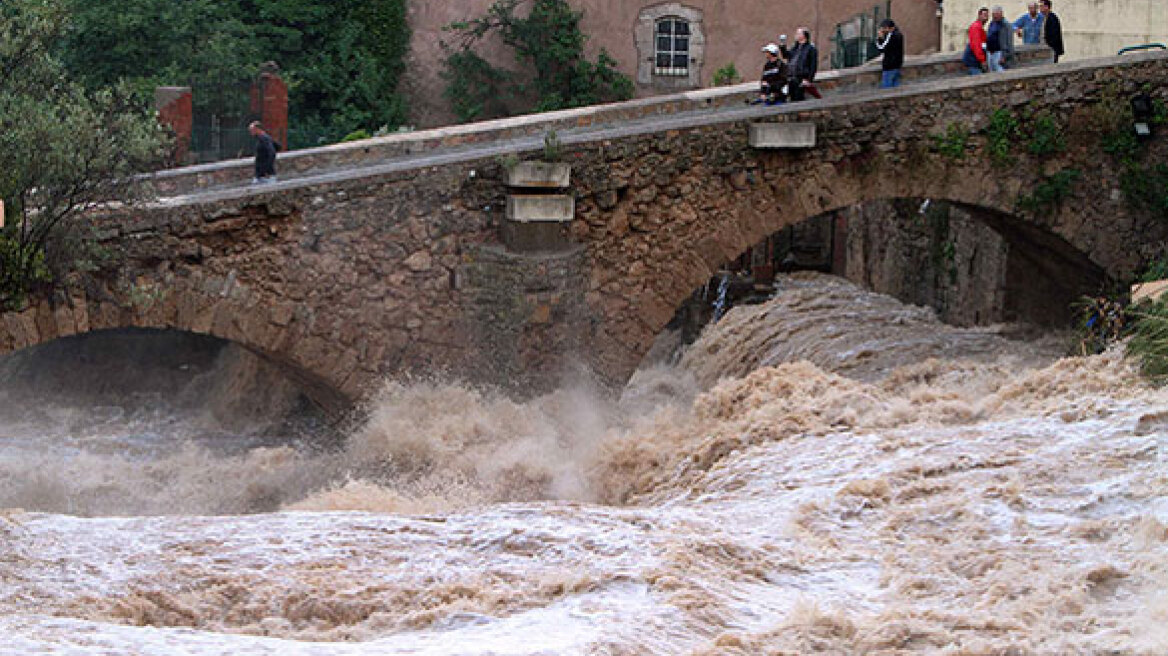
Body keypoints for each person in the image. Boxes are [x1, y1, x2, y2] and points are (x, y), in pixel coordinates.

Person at [786, 28, 821, 101]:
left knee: (799, 99)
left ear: (804, 36)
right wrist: (782, 47)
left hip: (802, 78)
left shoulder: (810, 49)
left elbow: (813, 65)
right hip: (792, 78)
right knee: (792, 99)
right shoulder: (795, 48)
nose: (796, 35)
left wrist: (809, 79)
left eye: (798, 34)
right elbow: (787, 56)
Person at [875, 18, 904, 88]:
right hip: (897, 63)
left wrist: (880, 38)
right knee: (895, 86)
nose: (883, 30)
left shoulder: (891, 36)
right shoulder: (899, 35)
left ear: (891, 28)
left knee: (887, 87)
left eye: (885, 28)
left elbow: (881, 48)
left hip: (890, 65)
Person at [986, 6, 1015, 71]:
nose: (994, 16)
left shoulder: (1006, 25)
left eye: (996, 14)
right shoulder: (992, 23)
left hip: (999, 53)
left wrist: (1004, 56)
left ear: (1001, 14)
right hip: (991, 53)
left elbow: (1009, 43)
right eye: (993, 14)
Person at [962, 7, 989, 75]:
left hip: (975, 59)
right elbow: (976, 45)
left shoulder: (979, 27)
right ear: (979, 15)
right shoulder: (976, 27)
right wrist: (982, 60)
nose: (986, 18)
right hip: (973, 59)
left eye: (987, 15)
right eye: (984, 15)